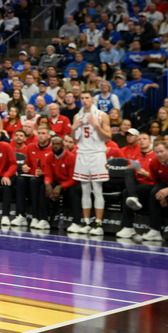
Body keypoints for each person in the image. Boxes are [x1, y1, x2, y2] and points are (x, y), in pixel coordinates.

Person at [68, 93, 111, 235]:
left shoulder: (101, 115)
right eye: (82, 98)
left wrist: (97, 126)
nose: (84, 100)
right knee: (85, 190)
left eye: (87, 98)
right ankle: (86, 223)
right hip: (82, 155)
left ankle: (98, 225)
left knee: (97, 190)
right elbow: (74, 141)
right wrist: (73, 128)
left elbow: (108, 137)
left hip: (97, 154)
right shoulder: (77, 116)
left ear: (93, 99)